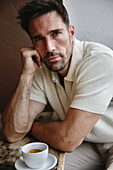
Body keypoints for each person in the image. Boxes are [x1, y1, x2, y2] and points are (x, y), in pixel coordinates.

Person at [2, 0, 113, 169]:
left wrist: (31, 126)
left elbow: (68, 140)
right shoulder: (42, 68)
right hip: (89, 143)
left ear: (71, 32)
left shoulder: (98, 61)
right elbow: (12, 133)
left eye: (55, 34)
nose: (49, 48)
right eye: (39, 38)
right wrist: (26, 75)